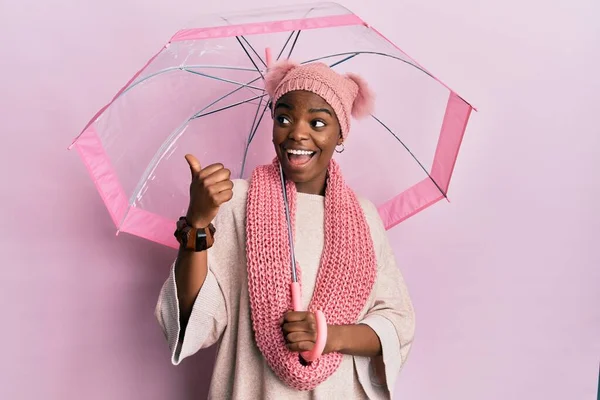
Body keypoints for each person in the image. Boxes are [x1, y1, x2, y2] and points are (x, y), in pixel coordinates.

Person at [155, 59, 416, 399]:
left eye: (318, 121)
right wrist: (198, 223)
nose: (297, 133)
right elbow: (194, 320)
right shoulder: (235, 204)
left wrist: (329, 335)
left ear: (340, 134)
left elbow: (397, 322)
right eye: (284, 118)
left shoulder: (363, 216)